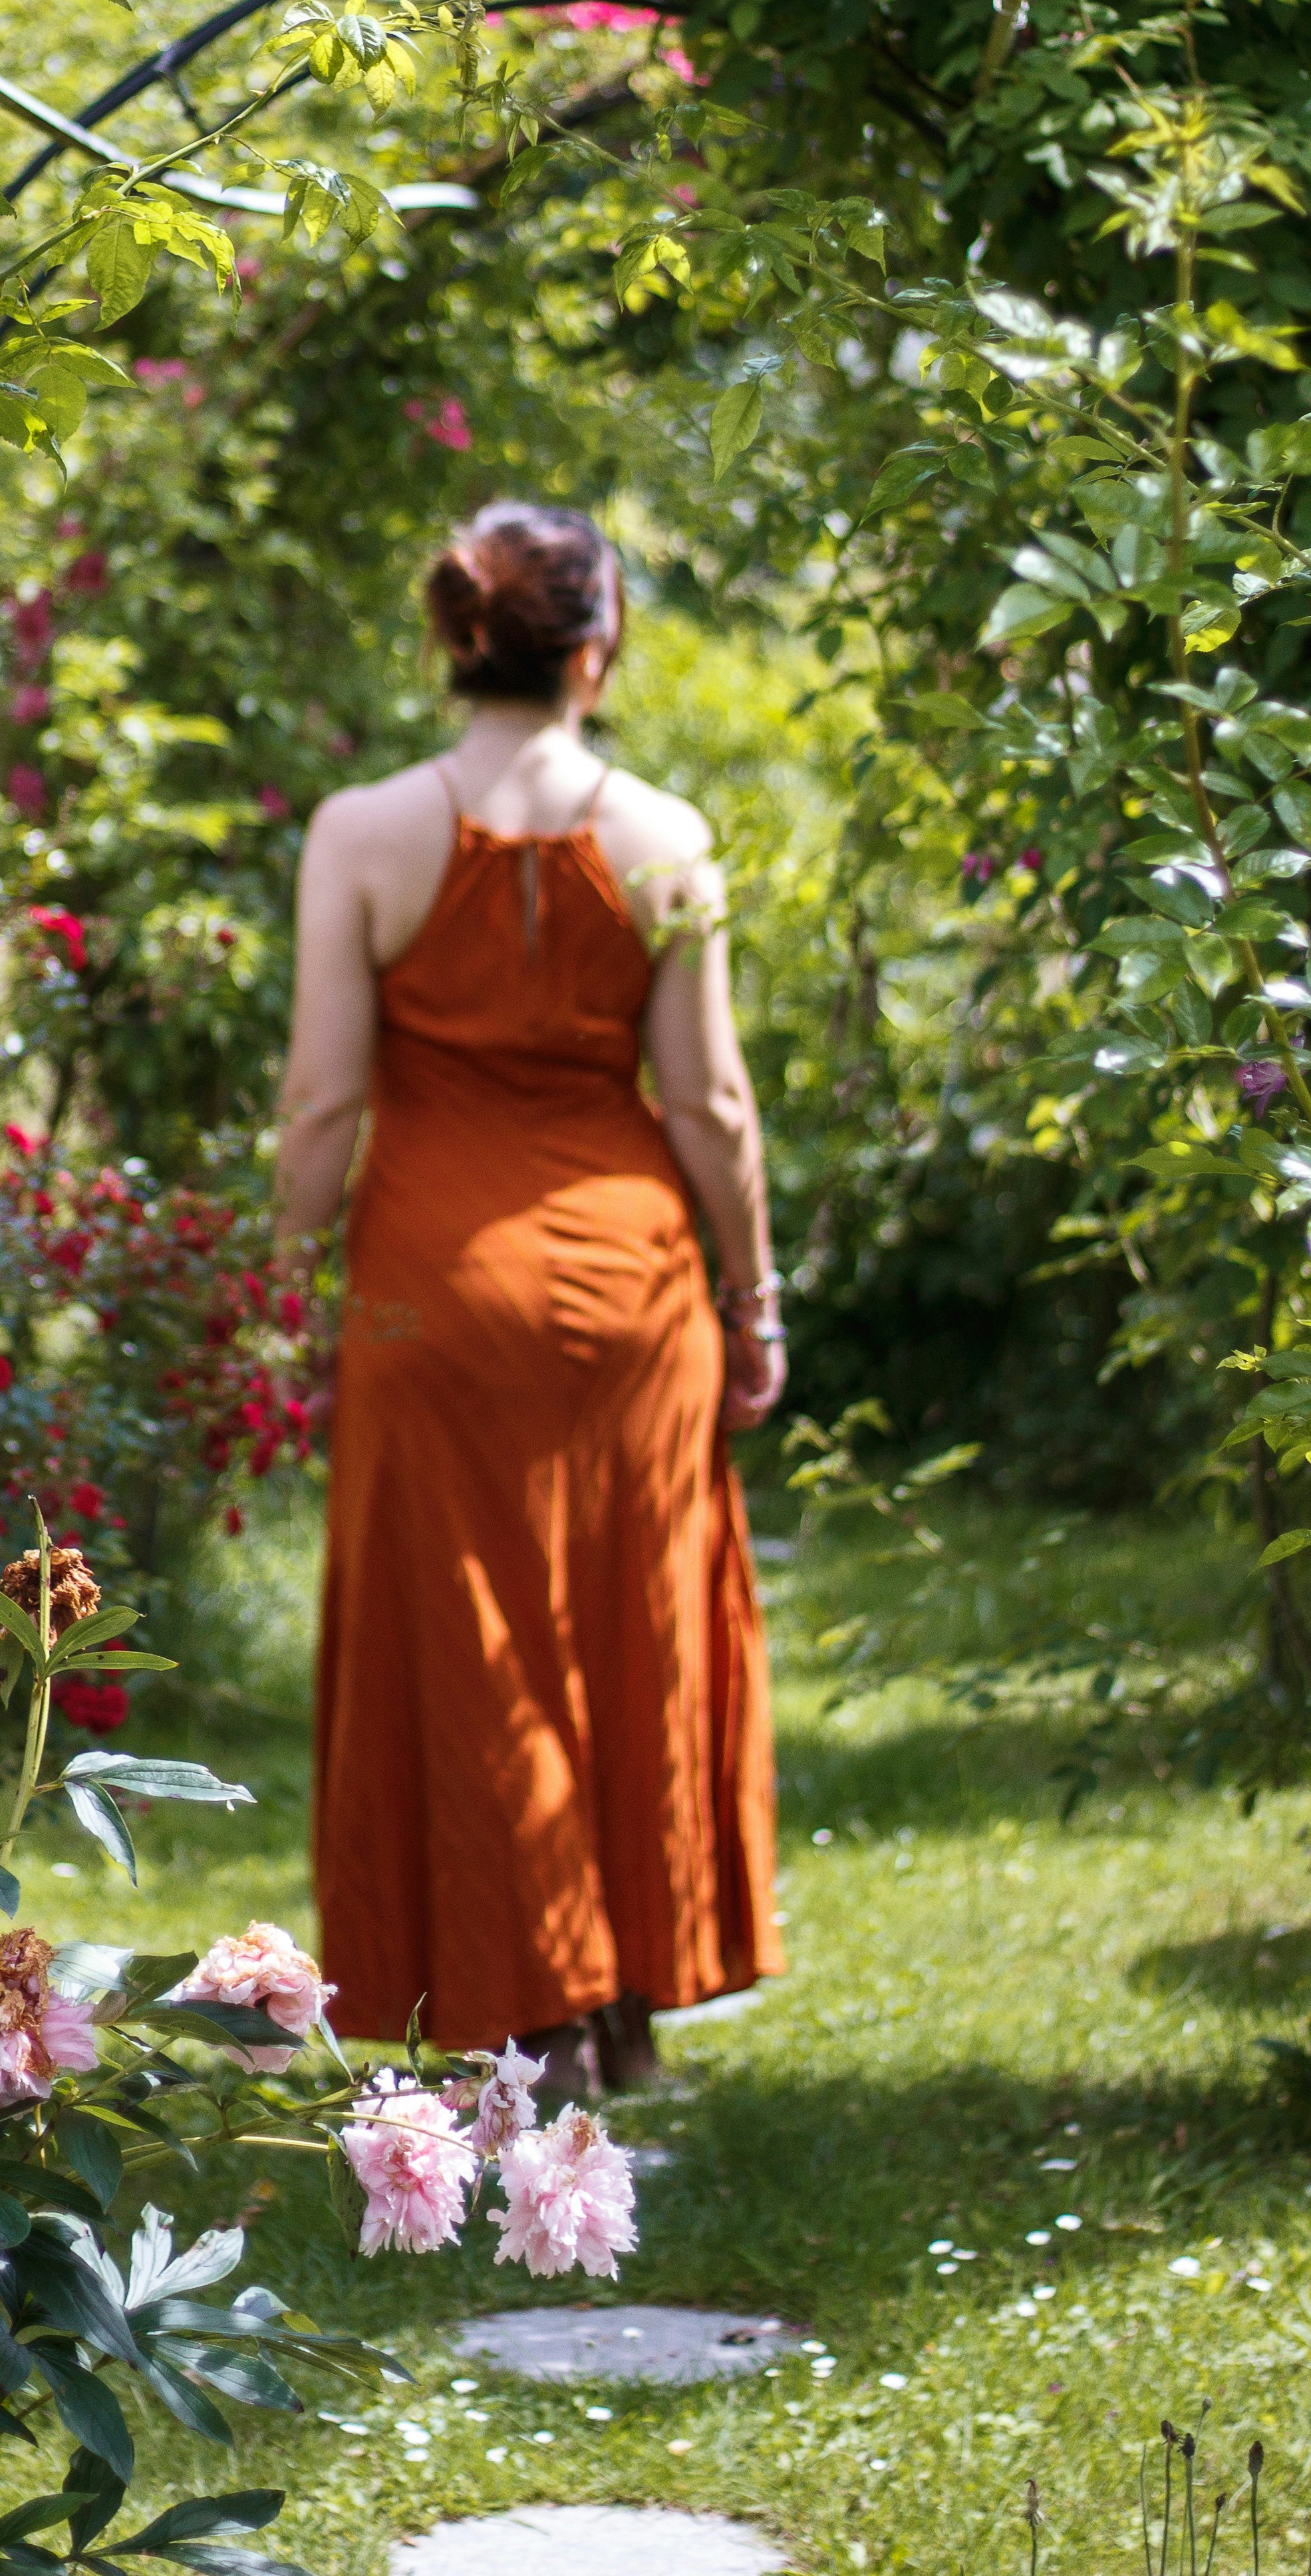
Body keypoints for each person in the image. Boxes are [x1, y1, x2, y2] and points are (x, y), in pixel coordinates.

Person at [277, 499, 786, 2094]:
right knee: (626, 1621)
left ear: (455, 638)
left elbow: (319, 1109)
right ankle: (614, 2001)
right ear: (598, 641)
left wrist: (278, 1297)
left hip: (432, 1288)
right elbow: (709, 1105)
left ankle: (519, 2004)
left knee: (469, 1635)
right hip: (632, 1290)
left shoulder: (358, 835)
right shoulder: (672, 838)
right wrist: (755, 1296)